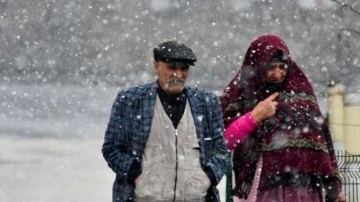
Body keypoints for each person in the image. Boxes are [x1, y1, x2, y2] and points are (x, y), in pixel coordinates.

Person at [220, 35, 344, 202]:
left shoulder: (301, 91)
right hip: (262, 188)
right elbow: (224, 140)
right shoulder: (243, 92)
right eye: (270, 67)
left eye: (282, 66)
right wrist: (255, 116)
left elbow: (322, 141)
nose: (277, 74)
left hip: (306, 188)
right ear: (258, 65)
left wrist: (333, 185)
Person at [102, 40, 227, 202]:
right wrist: (135, 174)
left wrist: (208, 178)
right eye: (172, 68)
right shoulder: (130, 100)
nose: (179, 75)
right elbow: (111, 148)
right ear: (156, 66)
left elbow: (221, 150)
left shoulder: (207, 102)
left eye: (184, 69)